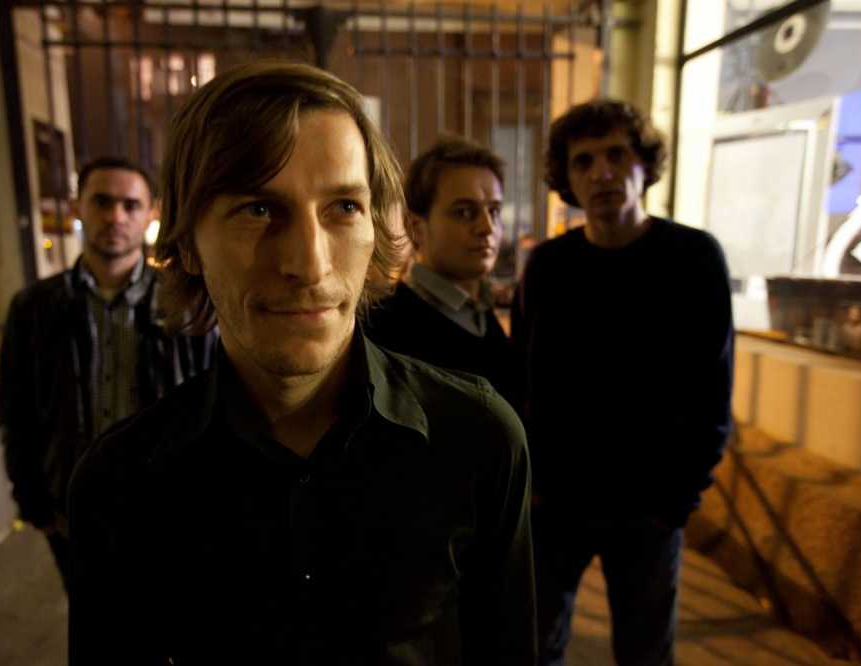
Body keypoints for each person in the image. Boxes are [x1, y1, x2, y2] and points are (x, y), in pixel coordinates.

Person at [68, 63, 536, 665]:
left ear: (377, 229)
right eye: (259, 209)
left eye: (343, 206)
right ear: (187, 243)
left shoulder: (479, 440)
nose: (309, 264)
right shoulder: (120, 483)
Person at [511, 99, 733, 665]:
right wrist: (533, 486)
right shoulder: (548, 266)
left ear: (644, 164)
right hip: (557, 502)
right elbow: (523, 379)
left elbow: (712, 391)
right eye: (583, 161)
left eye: (616, 155)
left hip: (649, 506)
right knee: (534, 646)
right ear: (567, 178)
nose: (601, 173)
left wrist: (677, 501)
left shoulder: (694, 258)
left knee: (644, 652)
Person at [0, 156, 217, 594]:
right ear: (77, 207)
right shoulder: (35, 308)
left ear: (150, 214)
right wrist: (31, 498)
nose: (116, 216)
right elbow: (15, 408)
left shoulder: (187, 304)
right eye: (102, 202)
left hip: (168, 510)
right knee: (93, 615)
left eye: (130, 205)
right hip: (72, 511)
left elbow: (214, 402)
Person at [364, 136, 512, 398]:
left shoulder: (482, 311)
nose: (487, 227)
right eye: (464, 212)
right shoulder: (385, 325)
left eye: (494, 211)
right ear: (416, 227)